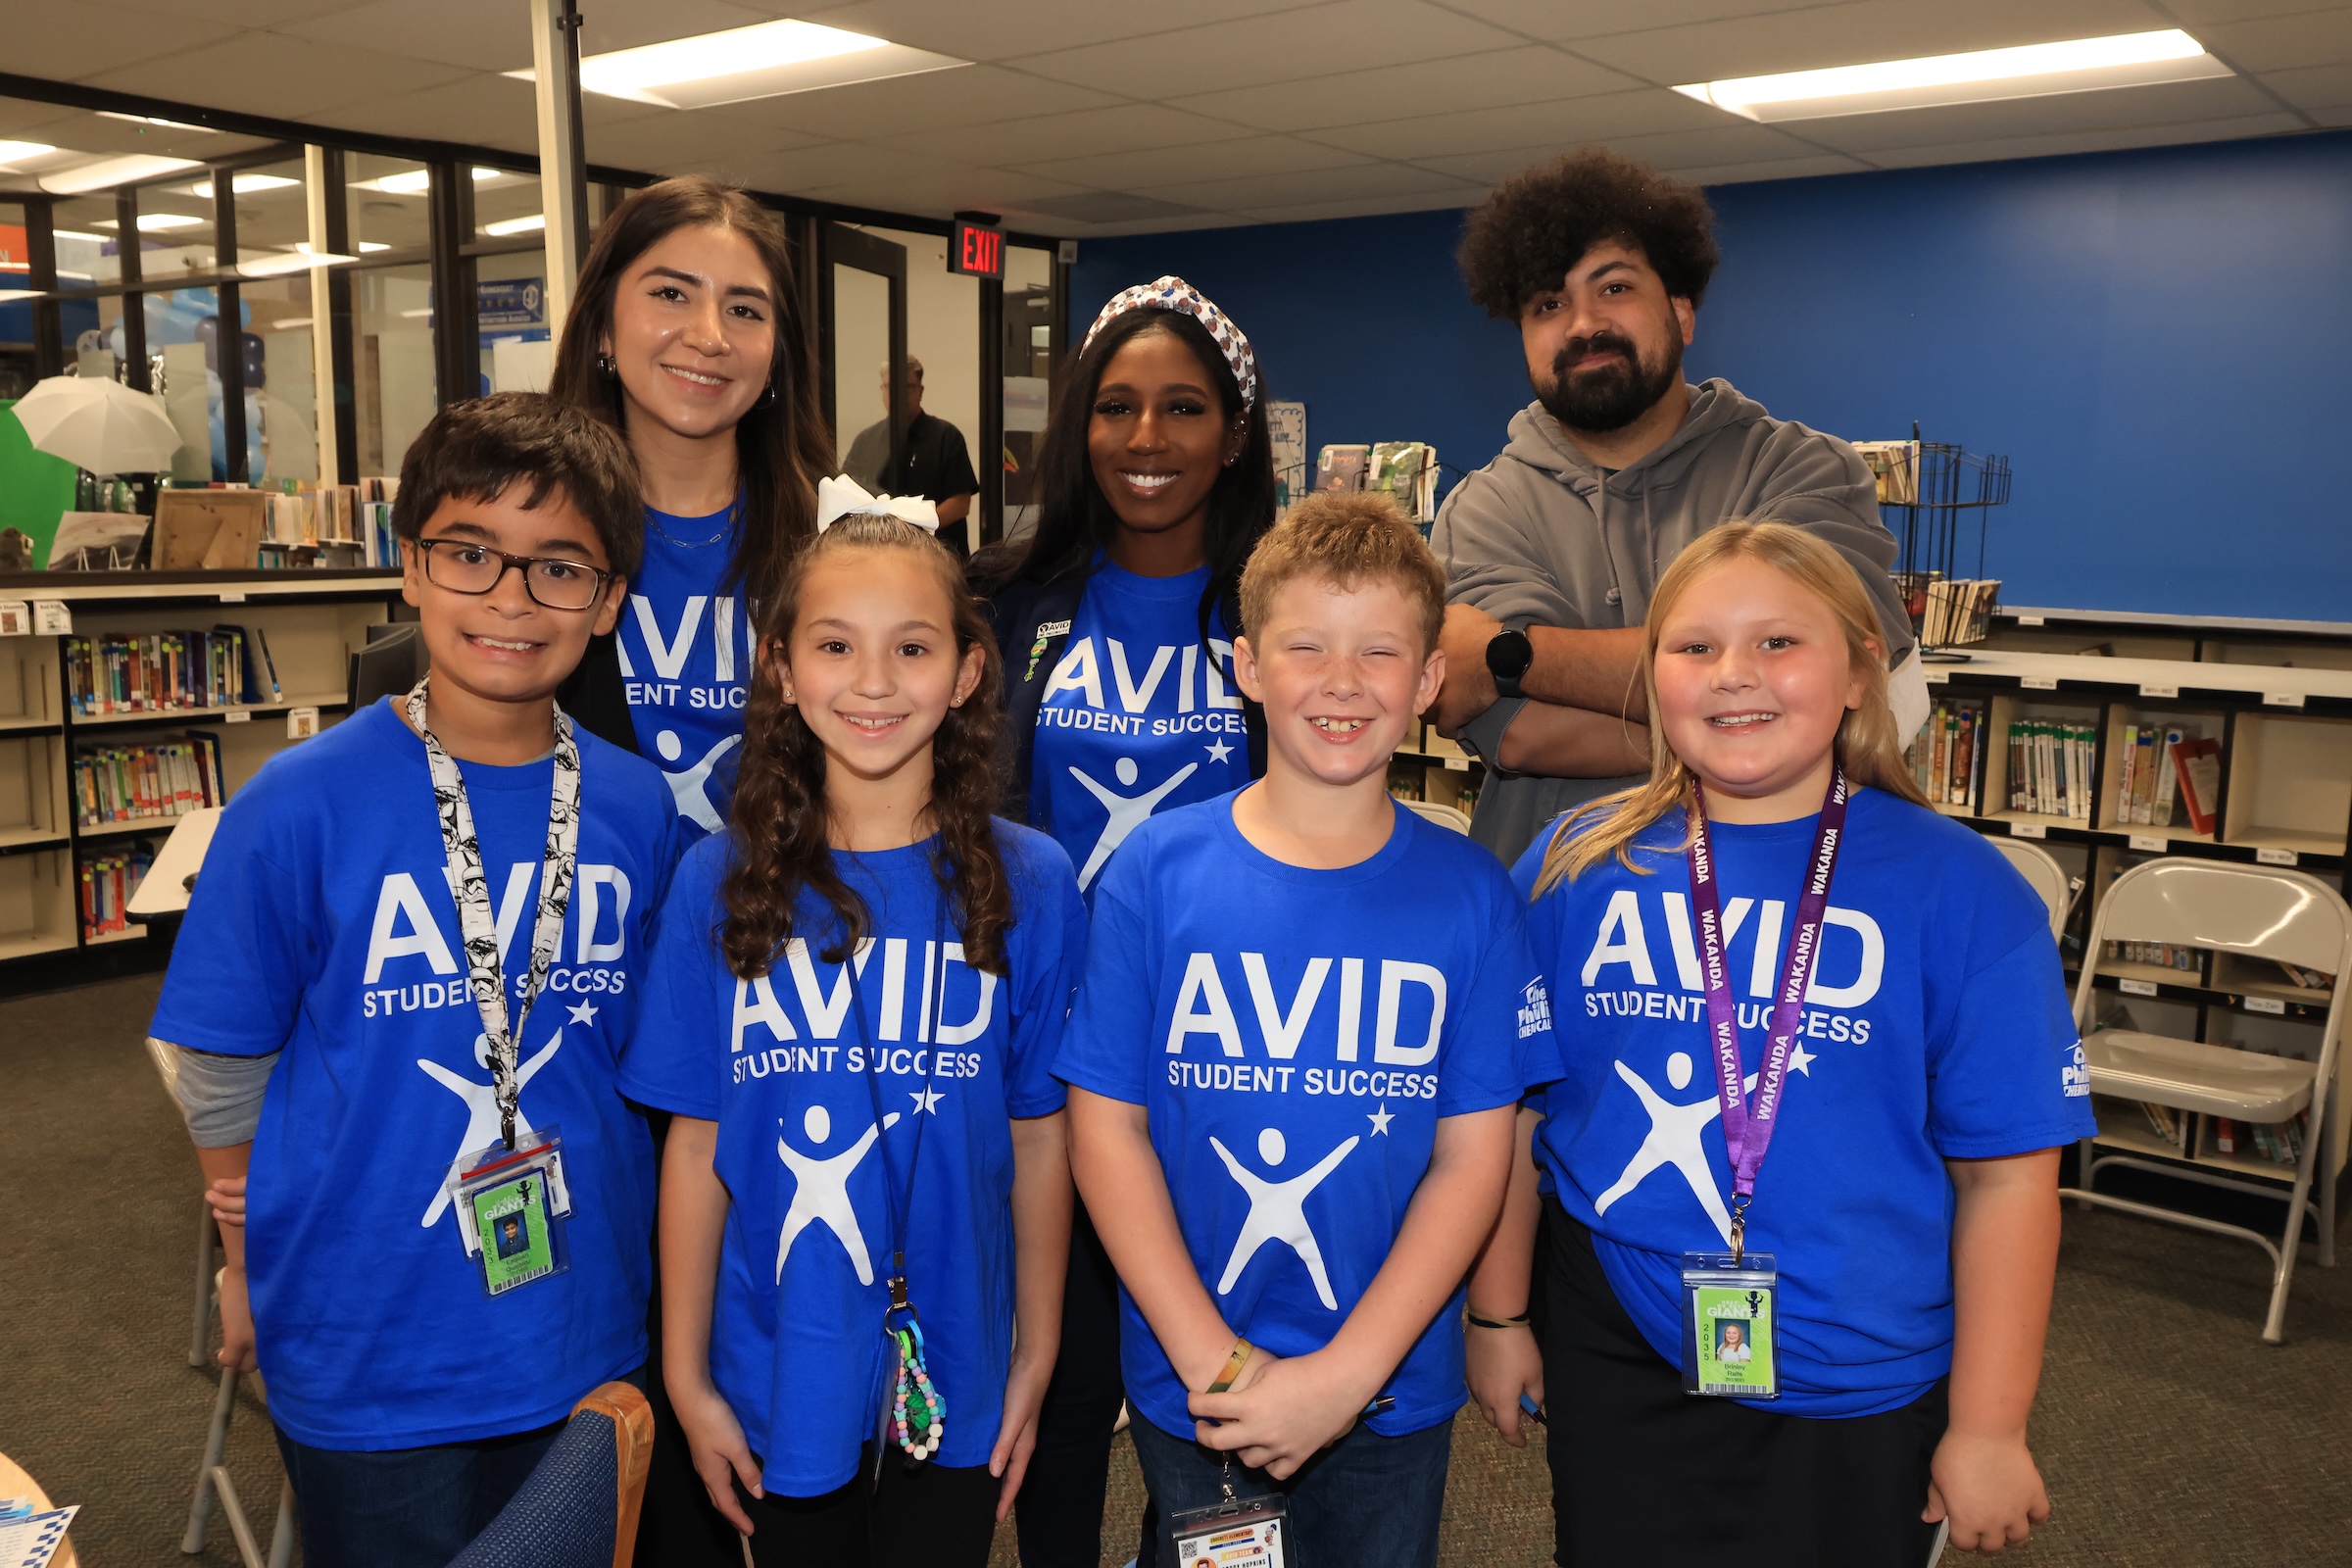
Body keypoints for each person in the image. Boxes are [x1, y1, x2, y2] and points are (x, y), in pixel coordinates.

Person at [1463, 522, 2092, 1566]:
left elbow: (2012, 1180)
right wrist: (1495, 1317)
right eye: (1695, 647)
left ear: (1857, 673)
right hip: (1618, 1335)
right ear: (1653, 678)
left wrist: (1988, 1426)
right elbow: (1519, 1113)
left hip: (1857, 1361)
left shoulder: (1961, 891)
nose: (1734, 676)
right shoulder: (1577, 863)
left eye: (1778, 644)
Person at [150, 394, 683, 1568]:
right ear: (410, 567)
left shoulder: (641, 809)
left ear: (609, 604)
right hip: (364, 1339)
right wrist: (245, 1265)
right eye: (471, 552)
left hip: (584, 1325)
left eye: (560, 568)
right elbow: (224, 1061)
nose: (510, 596)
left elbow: (646, 1067)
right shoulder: (298, 804)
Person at [1057, 492, 1560, 1568]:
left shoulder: (1473, 895)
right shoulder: (1157, 872)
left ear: (1428, 681)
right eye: (1306, 647)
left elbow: (1476, 1159)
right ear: (1246, 665)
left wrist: (1344, 1377)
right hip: (1196, 1383)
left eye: (1381, 652)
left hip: (1387, 1392)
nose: (1342, 682)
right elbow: (1105, 1131)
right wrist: (1217, 1365)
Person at [622, 503, 1088, 1568]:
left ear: (968, 671)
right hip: (780, 1355)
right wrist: (686, 1378)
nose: (873, 683)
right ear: (782, 666)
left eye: (911, 648)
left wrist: (1040, 1346)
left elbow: (1039, 1135)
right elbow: (696, 1143)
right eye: (835, 645)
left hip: (961, 1353)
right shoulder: (718, 877)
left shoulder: (1033, 883)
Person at [967, 275, 1279, 1568]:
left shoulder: (1278, 614)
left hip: (1218, 1066)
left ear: (1235, 434)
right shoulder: (1007, 602)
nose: (1147, 439)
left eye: (1183, 408)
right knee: (1055, 1380)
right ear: (1075, 432)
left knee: (1215, 1400)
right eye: (1116, 408)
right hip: (1042, 1068)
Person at [1430, 147, 1929, 864]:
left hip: (1784, 911)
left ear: (1682, 313)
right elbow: (1517, 733)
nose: (1580, 324)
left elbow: (1841, 677)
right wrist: (1749, 716)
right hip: (1553, 916)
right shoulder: (1482, 509)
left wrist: (1509, 653)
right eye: (1548, 304)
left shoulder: (1800, 470)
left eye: (1614, 289)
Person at [550, 175, 833, 841]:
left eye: (745, 310)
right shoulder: (535, 537)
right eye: (671, 294)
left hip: (787, 928)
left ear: (776, 356)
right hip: (592, 931)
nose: (710, 337)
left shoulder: (839, 544)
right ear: (602, 330)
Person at [844, 357, 980, 554]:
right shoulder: (866, 440)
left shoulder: (946, 436)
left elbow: (960, 504)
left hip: (938, 556)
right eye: (890, 386)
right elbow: (848, 493)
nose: (898, 394)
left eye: (907, 387)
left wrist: (913, 529)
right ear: (882, 391)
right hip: (879, 554)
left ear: (920, 391)